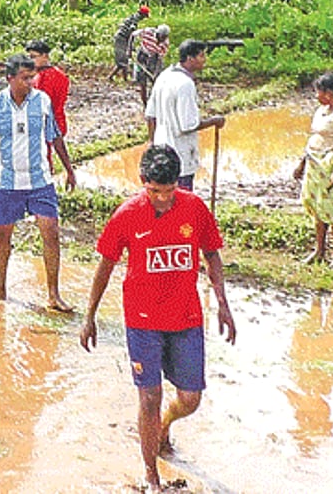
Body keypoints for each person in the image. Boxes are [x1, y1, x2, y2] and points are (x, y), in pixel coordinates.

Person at [79, 144, 237, 492]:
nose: (163, 199)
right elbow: (105, 266)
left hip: (186, 318)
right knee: (148, 397)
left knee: (191, 398)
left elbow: (211, 253)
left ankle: (164, 424)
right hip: (142, 320)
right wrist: (89, 316)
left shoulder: (194, 208)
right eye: (154, 192)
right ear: (142, 183)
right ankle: (151, 475)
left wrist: (222, 302)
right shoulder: (127, 214)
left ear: (177, 184)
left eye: (168, 192)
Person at [0, 54, 77, 312]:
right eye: (25, 78)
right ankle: (0, 288)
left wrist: (69, 170)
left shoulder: (43, 102)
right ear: (9, 79)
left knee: (51, 233)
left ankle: (53, 294)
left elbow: (55, 138)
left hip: (39, 180)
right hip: (7, 182)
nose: (30, 82)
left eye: (32, 77)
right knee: (2, 236)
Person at [144, 40, 226, 192]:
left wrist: (151, 141)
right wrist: (214, 121)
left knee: (163, 195)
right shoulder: (185, 84)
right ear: (190, 58)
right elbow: (188, 125)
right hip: (180, 153)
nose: (204, 60)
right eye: (201, 56)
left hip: (161, 150)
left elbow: (150, 115)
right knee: (181, 198)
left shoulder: (164, 76)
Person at [293, 72, 333, 264]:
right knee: (318, 209)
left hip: (330, 165)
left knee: (332, 210)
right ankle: (319, 251)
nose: (316, 95)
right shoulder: (321, 111)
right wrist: (301, 163)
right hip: (314, 163)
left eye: (318, 91)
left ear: (329, 92)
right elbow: (313, 137)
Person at [27, 39, 70, 172]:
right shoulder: (61, 75)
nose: (31, 61)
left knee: (43, 158)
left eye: (33, 57)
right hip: (59, 120)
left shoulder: (40, 78)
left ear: (45, 56)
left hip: (43, 123)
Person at [132, 24, 170, 106]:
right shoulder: (148, 32)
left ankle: (152, 102)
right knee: (142, 82)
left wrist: (155, 73)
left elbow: (160, 60)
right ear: (158, 33)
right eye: (161, 37)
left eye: (164, 37)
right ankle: (145, 104)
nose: (162, 39)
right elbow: (133, 35)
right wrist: (129, 49)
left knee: (155, 82)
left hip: (154, 59)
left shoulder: (165, 44)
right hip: (142, 56)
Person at [111, 5, 150, 80]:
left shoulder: (133, 17)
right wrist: (130, 47)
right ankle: (118, 78)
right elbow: (131, 34)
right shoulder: (135, 20)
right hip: (121, 38)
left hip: (122, 38)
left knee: (123, 60)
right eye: (145, 16)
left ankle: (120, 78)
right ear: (143, 14)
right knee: (123, 60)